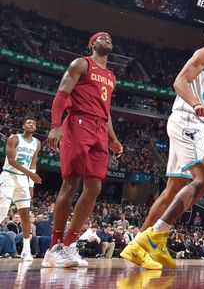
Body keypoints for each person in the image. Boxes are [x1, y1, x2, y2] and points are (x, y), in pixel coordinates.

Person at [121, 21, 204, 270]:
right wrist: (195, 105)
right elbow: (179, 82)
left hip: (197, 123)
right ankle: (157, 235)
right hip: (187, 119)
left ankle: (137, 245)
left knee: (173, 190)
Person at [44, 32, 123, 268]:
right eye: (101, 37)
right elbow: (62, 94)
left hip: (100, 128)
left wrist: (114, 139)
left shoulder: (111, 76)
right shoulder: (81, 63)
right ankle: (54, 247)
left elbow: (106, 111)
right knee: (71, 182)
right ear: (92, 44)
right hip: (79, 122)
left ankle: (69, 244)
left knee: (95, 187)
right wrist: (56, 126)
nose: (107, 38)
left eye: (110, 37)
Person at [0, 117, 41, 261]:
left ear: (35, 128)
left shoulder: (37, 143)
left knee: (25, 214)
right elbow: (11, 160)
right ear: (23, 126)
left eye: (34, 123)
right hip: (9, 176)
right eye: (29, 122)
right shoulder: (14, 138)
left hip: (23, 179)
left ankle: (26, 249)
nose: (31, 124)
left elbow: (33, 163)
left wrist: (31, 185)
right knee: (3, 209)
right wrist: (30, 174)